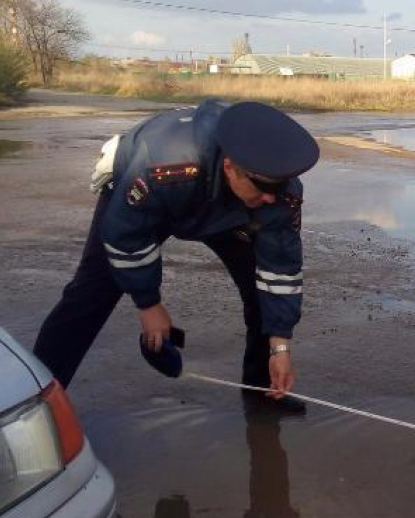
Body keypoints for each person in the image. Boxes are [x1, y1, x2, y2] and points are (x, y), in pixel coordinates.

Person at [34, 99, 319, 412]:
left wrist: (280, 346)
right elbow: (124, 235)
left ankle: (261, 391)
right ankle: (38, 402)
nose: (271, 198)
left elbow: (280, 271)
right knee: (88, 296)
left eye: (277, 190)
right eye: (264, 188)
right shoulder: (165, 164)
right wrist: (149, 304)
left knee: (259, 290)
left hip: (229, 209)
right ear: (230, 168)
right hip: (148, 199)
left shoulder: (276, 191)